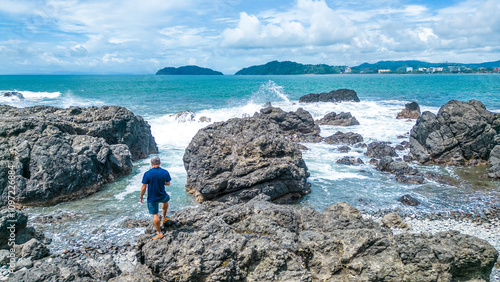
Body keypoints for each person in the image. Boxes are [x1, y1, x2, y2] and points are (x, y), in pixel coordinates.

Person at [140, 156, 172, 240]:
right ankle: (164, 217)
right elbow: (168, 183)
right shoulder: (165, 172)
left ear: (151, 164)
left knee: (155, 215)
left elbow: (144, 187)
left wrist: (141, 196)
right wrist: (161, 182)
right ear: (160, 163)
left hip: (152, 198)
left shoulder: (147, 173)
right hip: (162, 195)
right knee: (166, 199)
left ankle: (159, 233)